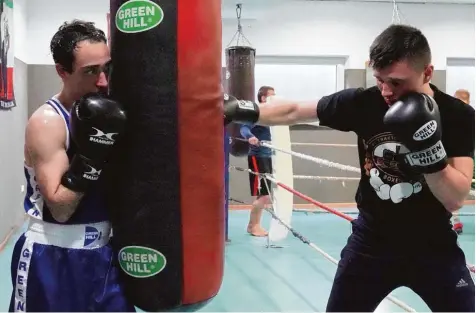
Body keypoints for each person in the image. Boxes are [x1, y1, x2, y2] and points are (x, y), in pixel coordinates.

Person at [224, 24, 475, 312]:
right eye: (380, 79)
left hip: (434, 245)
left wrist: (428, 153)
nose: (386, 91)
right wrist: (244, 110)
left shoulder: (458, 115)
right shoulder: (364, 101)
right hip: (372, 243)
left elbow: (455, 197)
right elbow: (295, 110)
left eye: (396, 82)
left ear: (427, 72)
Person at [10, 20, 134, 312]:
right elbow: (61, 209)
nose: (102, 81)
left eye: (107, 68)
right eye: (90, 71)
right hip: (53, 258)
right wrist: (93, 154)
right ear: (61, 71)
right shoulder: (48, 122)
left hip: (104, 254)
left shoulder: (113, 110)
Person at [239, 86, 276, 236]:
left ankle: (254, 225)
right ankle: (253, 226)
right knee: (264, 195)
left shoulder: (273, 114)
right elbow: (244, 128)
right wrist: (250, 137)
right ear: (262, 98)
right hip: (258, 156)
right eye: (271, 96)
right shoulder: (257, 112)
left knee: (265, 194)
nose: (274, 98)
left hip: (268, 157)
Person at [451, 89, 472, 234]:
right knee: (452, 191)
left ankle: (455, 221)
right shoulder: (446, 116)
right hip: (451, 158)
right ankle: (455, 221)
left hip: (467, 158)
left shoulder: (471, 116)